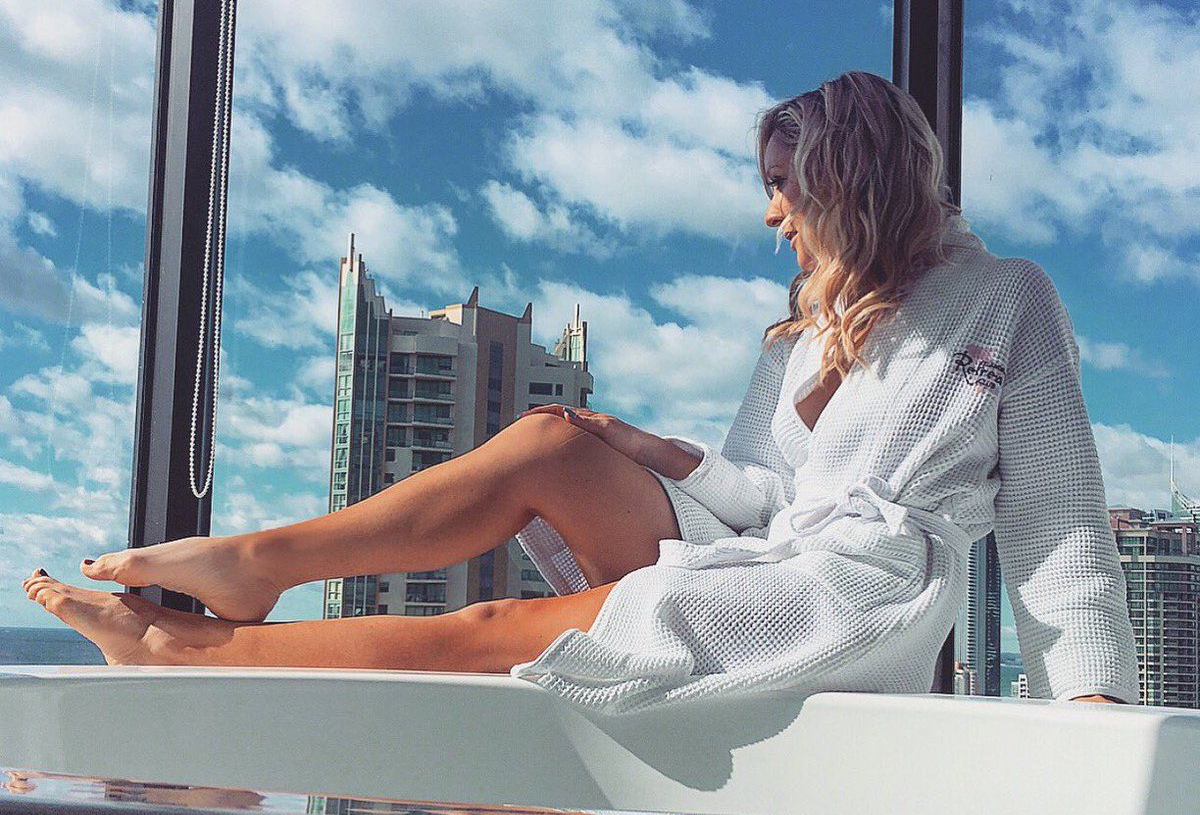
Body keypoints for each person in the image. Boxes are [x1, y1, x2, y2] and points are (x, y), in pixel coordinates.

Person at [23, 70, 1140, 713]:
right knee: (551, 442)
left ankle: (184, 654)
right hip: (770, 550)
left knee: (500, 626)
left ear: (851, 178)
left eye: (784, 186)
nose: (771, 214)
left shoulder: (1006, 300)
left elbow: (1059, 524)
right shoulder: (800, 336)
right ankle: (258, 563)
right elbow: (764, 495)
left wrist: (1090, 705)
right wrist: (646, 449)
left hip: (854, 598)